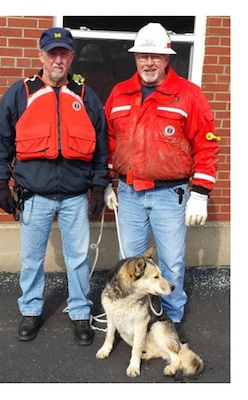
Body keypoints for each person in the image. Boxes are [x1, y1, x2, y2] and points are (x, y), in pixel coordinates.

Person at [0, 27, 109, 345]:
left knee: (78, 258)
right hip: (34, 194)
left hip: (73, 197)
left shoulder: (85, 95)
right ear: (41, 55)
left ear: (71, 57)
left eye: (64, 53)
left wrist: (98, 187)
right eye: (52, 53)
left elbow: (100, 146)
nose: (58, 59)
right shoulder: (21, 92)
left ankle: (81, 313)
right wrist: (0, 183)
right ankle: (31, 310)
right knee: (31, 258)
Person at [104, 23, 219, 336]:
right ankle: (133, 320)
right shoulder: (119, 94)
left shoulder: (188, 95)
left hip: (171, 194)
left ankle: (170, 319)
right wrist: (107, 182)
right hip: (129, 192)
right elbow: (110, 141)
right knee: (130, 265)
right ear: (136, 57)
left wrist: (201, 192)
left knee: (170, 263)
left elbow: (207, 144)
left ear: (167, 58)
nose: (149, 62)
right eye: (143, 55)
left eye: (156, 56)